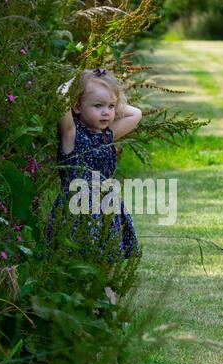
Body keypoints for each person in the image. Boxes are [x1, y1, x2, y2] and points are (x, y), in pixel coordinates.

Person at [46, 68, 143, 271]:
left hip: (106, 207)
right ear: (77, 106)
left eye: (111, 106)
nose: (106, 112)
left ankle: (106, 299)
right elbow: (60, 96)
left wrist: (109, 101)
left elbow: (136, 113)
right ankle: (78, 300)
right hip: (76, 208)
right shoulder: (70, 134)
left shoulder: (107, 135)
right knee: (73, 264)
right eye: (98, 106)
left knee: (107, 264)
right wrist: (78, 82)